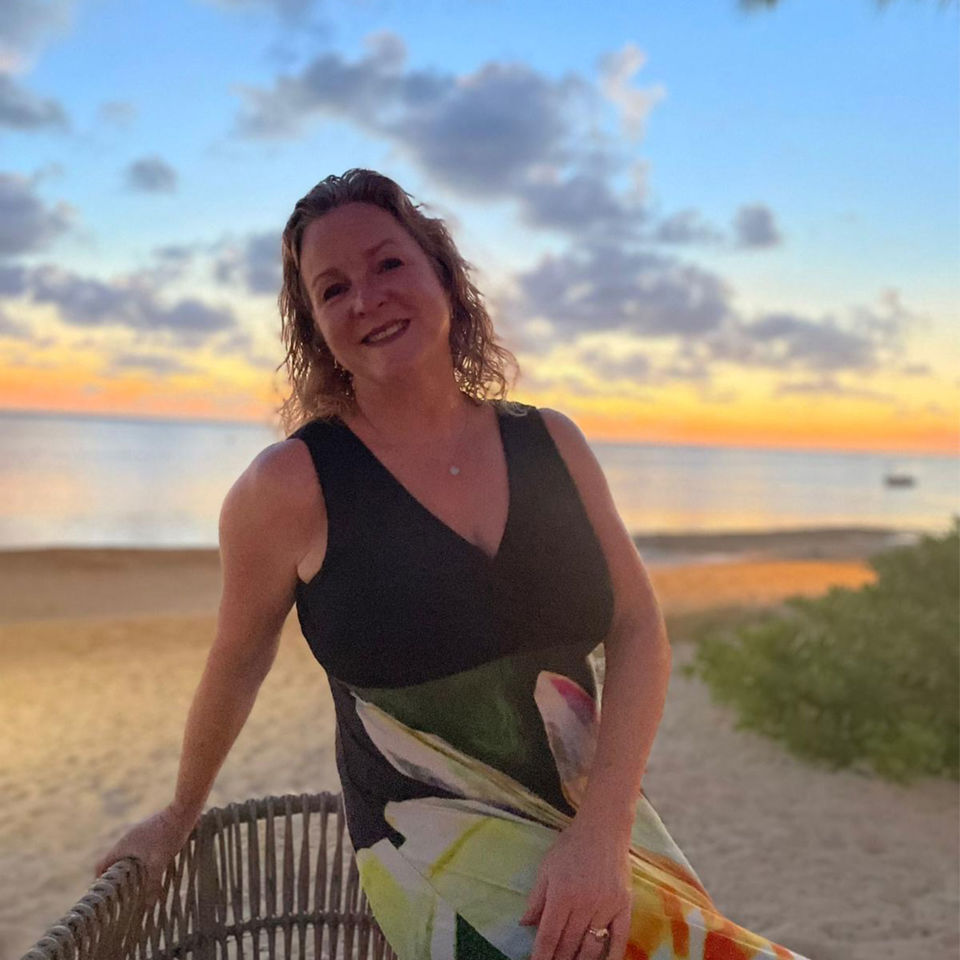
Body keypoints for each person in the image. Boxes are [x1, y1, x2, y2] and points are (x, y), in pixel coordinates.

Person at [95, 169, 808, 960]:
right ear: (315, 328)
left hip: (608, 830)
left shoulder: (551, 443)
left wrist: (603, 832)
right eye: (333, 289)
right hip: (435, 857)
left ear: (443, 274)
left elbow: (639, 627)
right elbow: (237, 661)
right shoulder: (288, 488)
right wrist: (179, 813)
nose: (367, 299)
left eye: (388, 264)